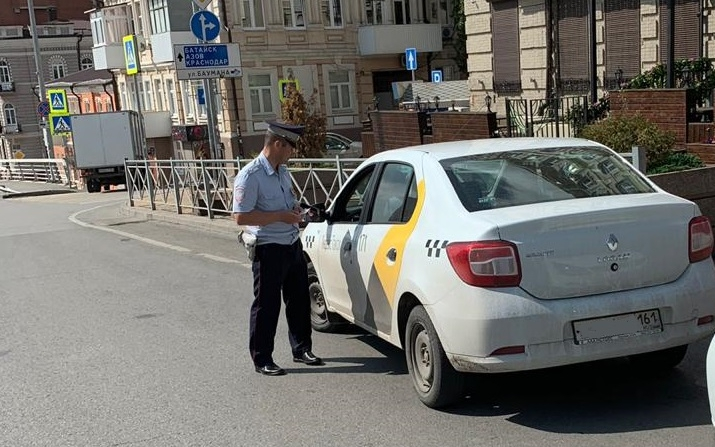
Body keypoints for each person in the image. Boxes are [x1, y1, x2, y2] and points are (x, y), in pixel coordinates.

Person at [232, 120, 323, 376]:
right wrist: (280, 216)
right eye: (290, 148)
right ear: (277, 143)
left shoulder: (281, 170)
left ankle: (302, 349)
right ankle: (262, 358)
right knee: (267, 306)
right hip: (268, 248)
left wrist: (297, 210)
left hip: (292, 242)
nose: (292, 153)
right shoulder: (250, 176)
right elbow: (240, 217)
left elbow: (288, 201)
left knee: (298, 300)